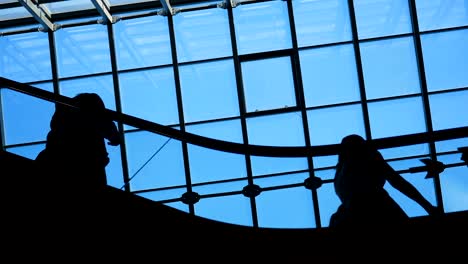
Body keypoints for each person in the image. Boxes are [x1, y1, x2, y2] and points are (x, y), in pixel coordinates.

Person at [329, 134, 438, 230]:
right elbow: (398, 182)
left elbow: (397, 182)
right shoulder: (370, 157)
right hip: (380, 209)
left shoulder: (340, 171)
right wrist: (427, 206)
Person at [35, 93, 121, 192]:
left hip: (53, 159)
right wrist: (115, 138)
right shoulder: (93, 120)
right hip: (87, 167)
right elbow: (110, 132)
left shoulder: (63, 113)